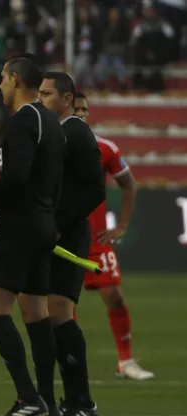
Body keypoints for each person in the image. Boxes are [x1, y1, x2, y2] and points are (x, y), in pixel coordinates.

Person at [0, 56, 65, 416]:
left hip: (20, 226)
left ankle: (28, 398)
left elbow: (16, 177)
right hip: (43, 223)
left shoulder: (23, 121)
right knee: (36, 315)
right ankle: (46, 401)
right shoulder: (51, 122)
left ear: (15, 79)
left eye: (2, 78)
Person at [38, 72, 105, 416]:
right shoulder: (54, 132)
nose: (41, 98)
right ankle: (69, 399)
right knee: (50, 318)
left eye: (47, 93)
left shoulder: (76, 131)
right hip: (51, 234)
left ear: (66, 100)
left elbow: (95, 190)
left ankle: (84, 402)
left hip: (68, 235)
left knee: (60, 315)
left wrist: (58, 223)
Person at [74, 92, 154, 380]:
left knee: (115, 297)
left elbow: (130, 185)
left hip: (96, 240)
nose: (82, 113)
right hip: (62, 240)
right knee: (62, 308)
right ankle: (69, 363)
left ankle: (126, 361)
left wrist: (121, 226)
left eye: (85, 109)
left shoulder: (104, 148)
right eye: (76, 108)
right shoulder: (50, 147)